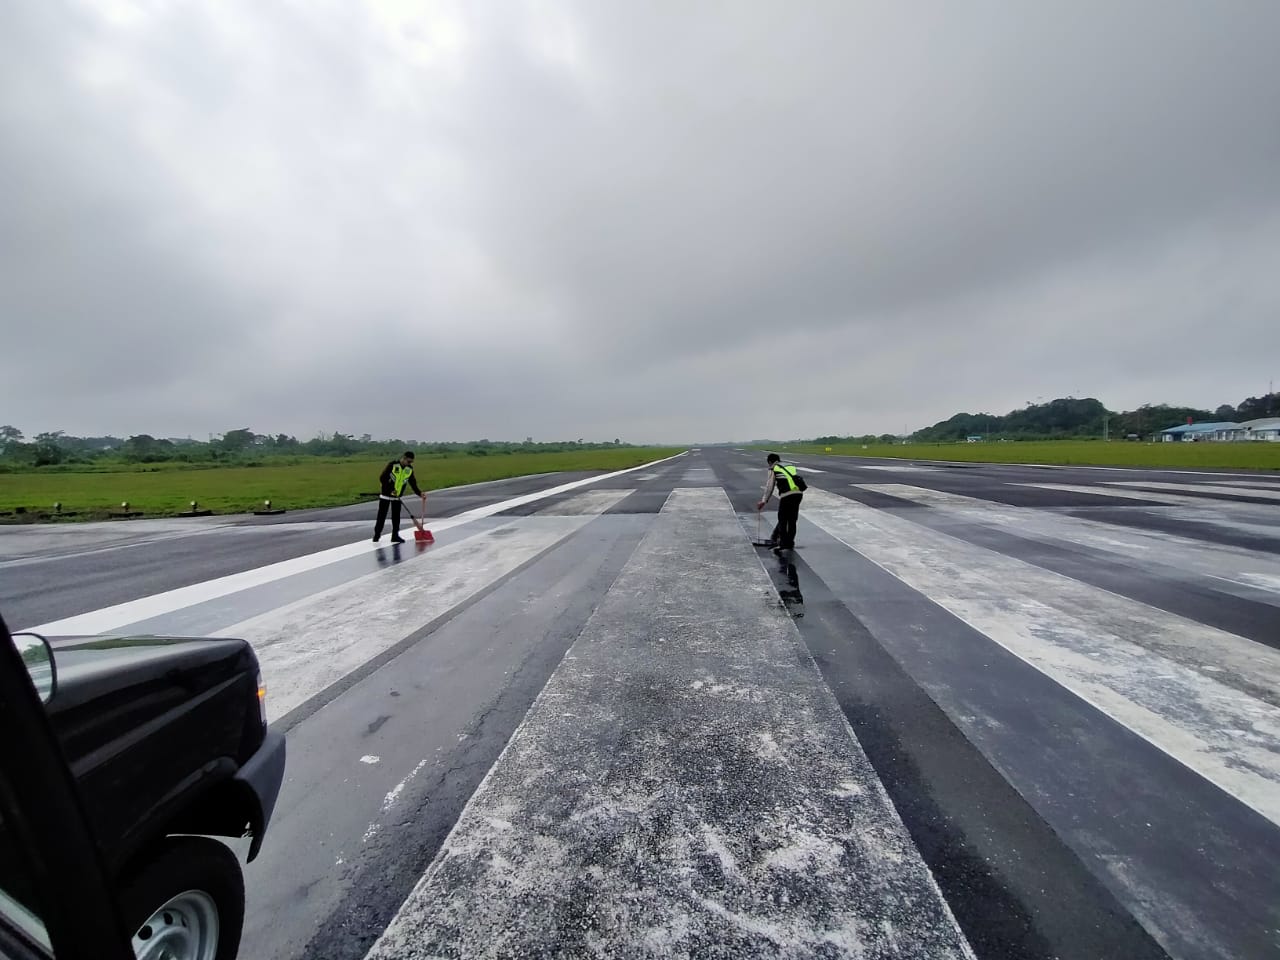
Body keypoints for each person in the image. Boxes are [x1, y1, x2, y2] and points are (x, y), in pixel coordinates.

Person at [373, 451, 426, 544]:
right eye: (408, 462)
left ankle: (395, 535)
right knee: (382, 516)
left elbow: (413, 483)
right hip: (386, 495)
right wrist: (391, 489)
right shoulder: (392, 465)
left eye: (411, 462)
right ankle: (377, 535)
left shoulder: (409, 469)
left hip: (397, 497)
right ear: (404, 458)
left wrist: (420, 493)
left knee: (396, 517)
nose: (409, 464)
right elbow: (382, 478)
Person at [756, 453, 803, 550]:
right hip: (798, 494)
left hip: (787, 495)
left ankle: (782, 543)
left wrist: (763, 501)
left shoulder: (774, 468)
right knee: (792, 520)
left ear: (770, 462)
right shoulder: (789, 465)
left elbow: (770, 486)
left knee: (782, 519)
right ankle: (789, 543)